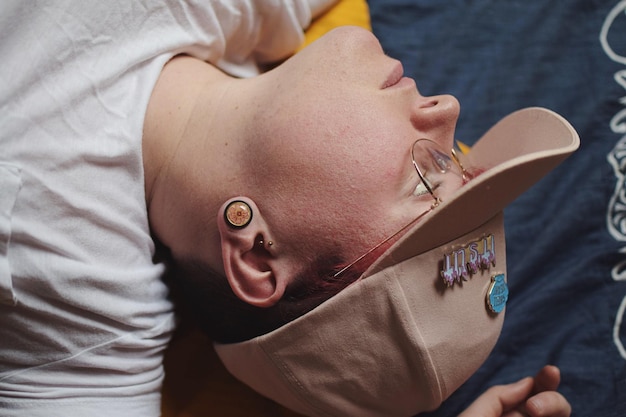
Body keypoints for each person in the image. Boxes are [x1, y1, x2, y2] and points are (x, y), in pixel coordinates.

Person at [0, 1, 574, 416]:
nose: (447, 110)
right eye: (459, 160)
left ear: (257, 254)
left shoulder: (78, 304)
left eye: (426, 176)